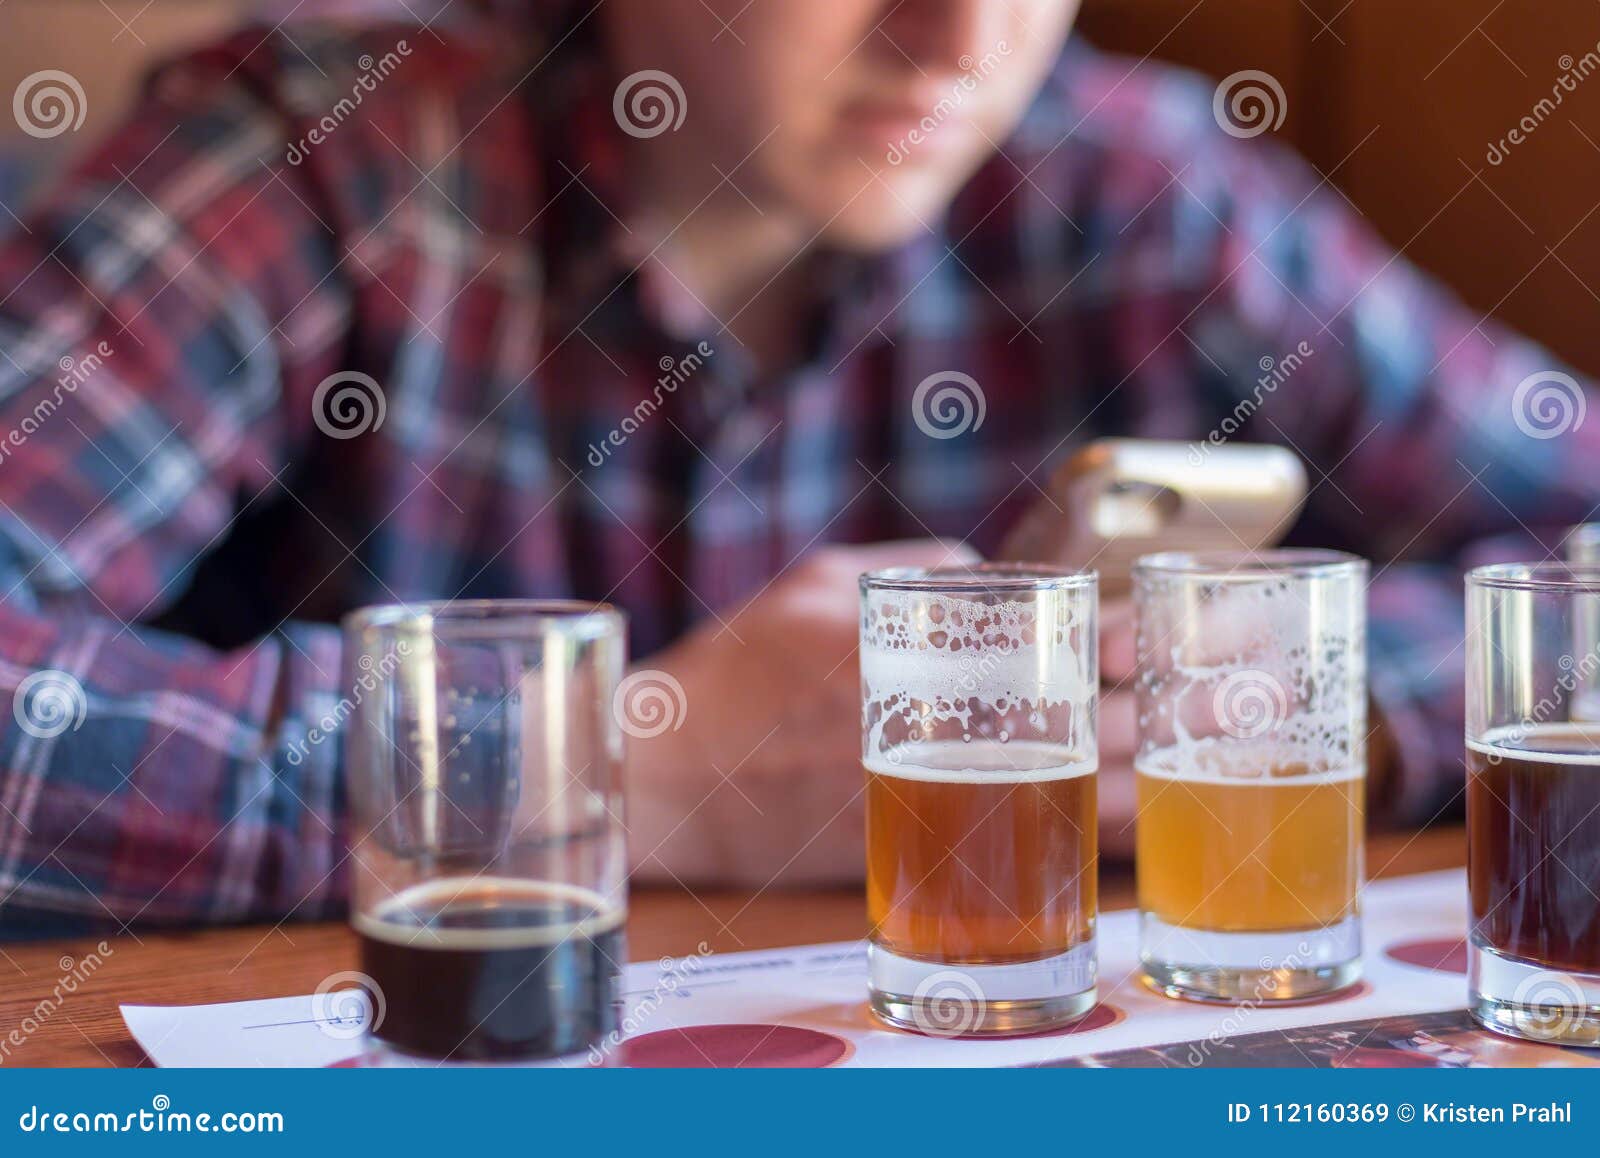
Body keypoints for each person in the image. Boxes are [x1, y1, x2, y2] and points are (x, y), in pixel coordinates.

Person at [0, 0, 1592, 936]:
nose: (957, 42)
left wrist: (1259, 698)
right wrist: (613, 772)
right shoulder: (321, 155)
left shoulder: (1144, 190)